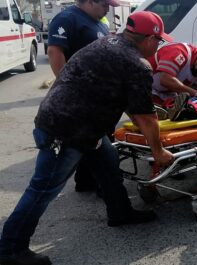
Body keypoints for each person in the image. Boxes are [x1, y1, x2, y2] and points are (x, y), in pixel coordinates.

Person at [0, 11, 174, 265]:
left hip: (72, 121)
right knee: (42, 190)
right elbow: (145, 117)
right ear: (147, 38)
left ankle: (120, 212)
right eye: (158, 41)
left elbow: (125, 98)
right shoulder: (136, 64)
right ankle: (10, 249)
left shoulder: (106, 41)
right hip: (67, 130)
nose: (158, 46)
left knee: (107, 159)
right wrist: (158, 151)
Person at [47, 0, 119, 193]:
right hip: (81, 95)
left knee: (93, 141)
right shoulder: (67, 18)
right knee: (97, 142)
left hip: (99, 94)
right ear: (90, 1)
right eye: (105, 4)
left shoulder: (98, 21)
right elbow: (55, 51)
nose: (108, 8)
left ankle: (86, 181)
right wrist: (67, 86)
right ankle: (108, 190)